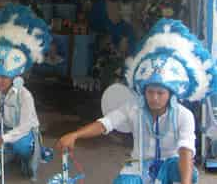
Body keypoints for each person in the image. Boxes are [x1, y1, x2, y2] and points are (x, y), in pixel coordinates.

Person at [56, 19, 217, 184]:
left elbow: (185, 151)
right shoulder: (133, 108)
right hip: (138, 164)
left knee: (186, 173)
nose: (154, 97)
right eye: (150, 92)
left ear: (171, 93)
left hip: (171, 164)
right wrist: (75, 135)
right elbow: (106, 124)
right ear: (143, 90)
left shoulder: (184, 115)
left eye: (160, 93)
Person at [0, 4, 53, 181]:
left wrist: (2, 138)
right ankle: (5, 153)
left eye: (5, 77)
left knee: (20, 143)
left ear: (16, 77)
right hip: (5, 132)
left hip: (22, 135)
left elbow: (25, 127)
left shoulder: (25, 95)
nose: (0, 81)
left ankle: (27, 157)